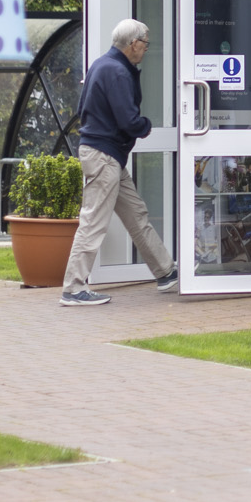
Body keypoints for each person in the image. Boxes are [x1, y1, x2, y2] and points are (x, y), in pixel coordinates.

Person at [60, 18, 178, 306]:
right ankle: (74, 289)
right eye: (145, 44)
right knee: (93, 223)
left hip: (107, 156)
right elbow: (129, 120)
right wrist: (146, 125)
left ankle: (166, 272)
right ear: (133, 44)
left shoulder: (102, 65)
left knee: (136, 214)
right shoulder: (117, 72)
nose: (146, 50)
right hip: (104, 157)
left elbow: (81, 109)